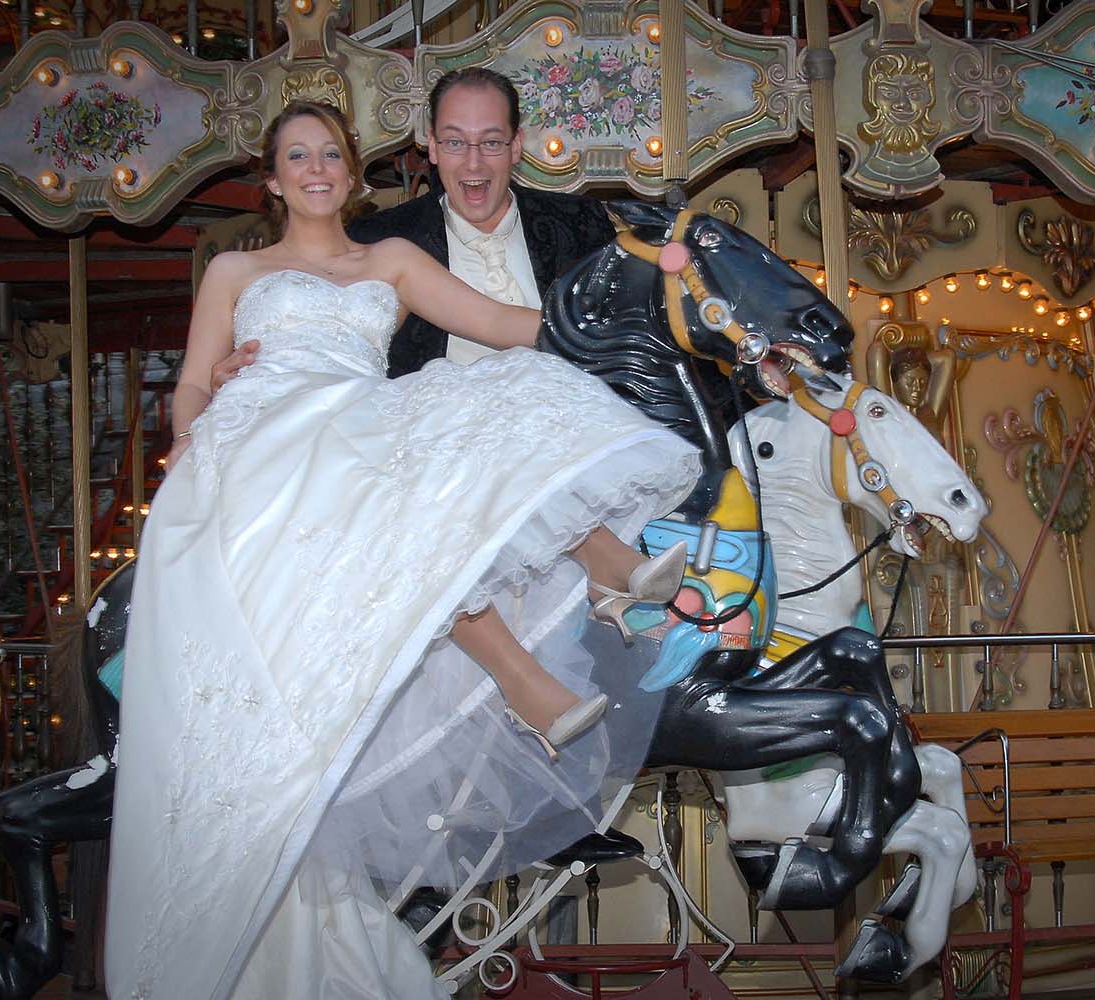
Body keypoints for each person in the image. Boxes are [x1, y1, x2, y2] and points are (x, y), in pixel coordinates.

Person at [103, 100, 700, 1000]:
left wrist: (635, 317)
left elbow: (507, 325)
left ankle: (596, 576)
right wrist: (190, 431)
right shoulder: (236, 266)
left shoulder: (388, 259)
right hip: (266, 441)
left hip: (354, 426)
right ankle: (535, 665)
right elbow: (192, 382)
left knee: (487, 392)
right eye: (296, 156)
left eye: (330, 155)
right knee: (392, 476)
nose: (315, 169)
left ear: (353, 172)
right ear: (271, 179)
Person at [212, 66, 616, 388]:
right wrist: (225, 381)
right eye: (456, 142)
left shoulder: (580, 223)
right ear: (433, 147)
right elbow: (315, 334)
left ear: (515, 146)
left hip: (568, 415)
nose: (474, 163)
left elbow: (609, 324)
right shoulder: (382, 240)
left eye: (491, 142)